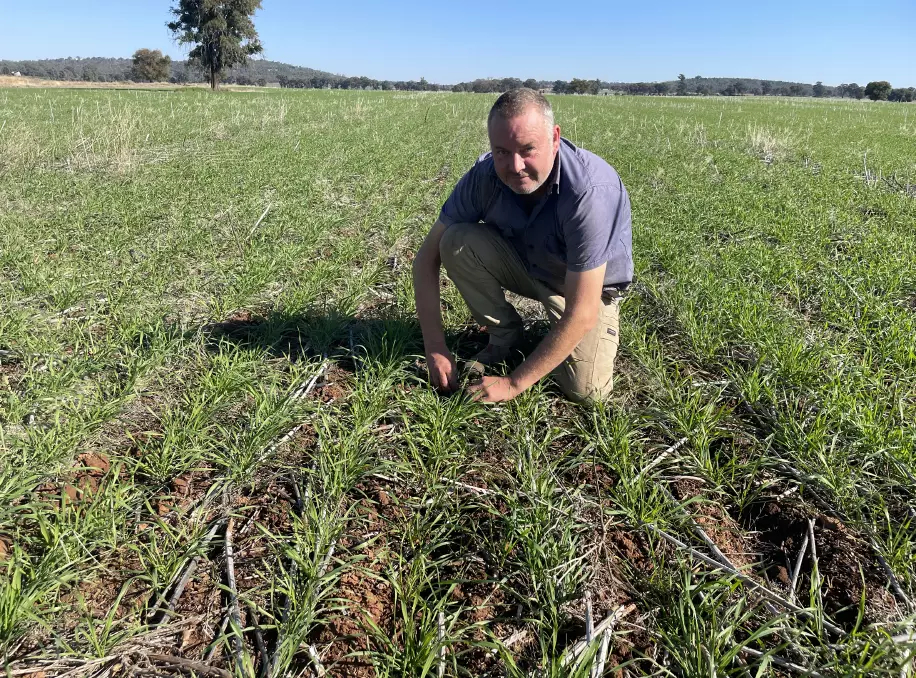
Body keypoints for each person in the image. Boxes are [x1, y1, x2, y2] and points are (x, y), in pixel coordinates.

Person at [411, 88, 633, 404]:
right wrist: (435, 346)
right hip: (529, 265)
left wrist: (513, 384)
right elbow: (425, 259)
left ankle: (553, 343)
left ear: (555, 138)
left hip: (585, 291)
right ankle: (506, 336)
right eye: (501, 151)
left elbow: (582, 311)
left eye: (527, 149)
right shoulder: (485, 177)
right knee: (456, 240)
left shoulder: (590, 192)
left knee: (588, 392)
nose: (515, 166)